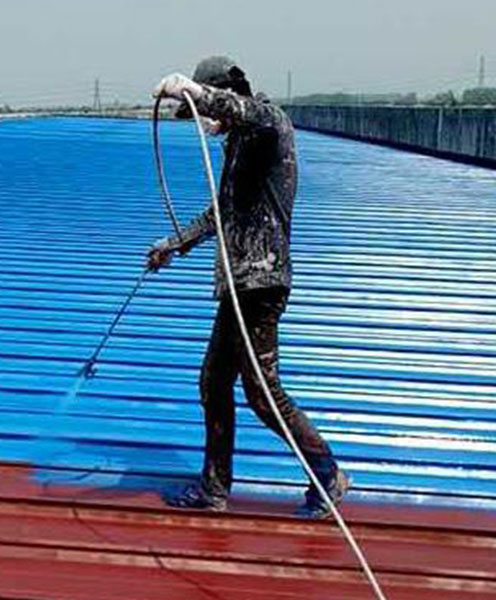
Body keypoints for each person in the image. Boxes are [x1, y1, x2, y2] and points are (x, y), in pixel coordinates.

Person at [148, 56, 349, 519]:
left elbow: (242, 111)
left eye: (207, 112)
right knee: (214, 381)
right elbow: (223, 210)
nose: (207, 123)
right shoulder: (237, 145)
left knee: (262, 392)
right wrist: (172, 245)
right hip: (239, 282)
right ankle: (214, 489)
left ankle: (328, 473)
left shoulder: (266, 122)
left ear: (226, 95)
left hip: (261, 280)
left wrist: (193, 91)